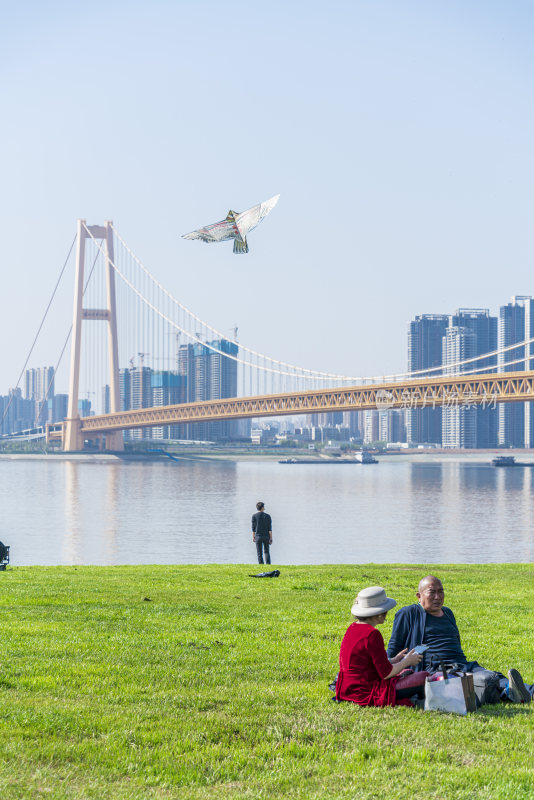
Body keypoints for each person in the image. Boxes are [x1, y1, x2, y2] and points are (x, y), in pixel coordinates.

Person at [386, 575, 532, 705]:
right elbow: (394, 646)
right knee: (485, 680)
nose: (438, 596)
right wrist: (389, 667)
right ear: (419, 596)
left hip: (462, 663)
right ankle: (508, 693)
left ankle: (525, 691)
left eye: (441, 591)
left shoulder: (448, 613)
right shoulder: (409, 613)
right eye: (432, 592)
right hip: (436, 668)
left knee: (494, 676)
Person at [336, 586, 429, 707]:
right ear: (379, 614)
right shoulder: (372, 634)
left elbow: (367, 664)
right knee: (423, 676)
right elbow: (386, 673)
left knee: (407, 672)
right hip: (365, 690)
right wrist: (407, 661)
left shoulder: (352, 628)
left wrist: (394, 660)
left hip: (347, 688)